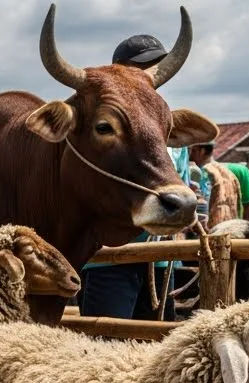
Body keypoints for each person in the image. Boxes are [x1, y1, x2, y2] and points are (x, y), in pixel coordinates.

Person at [79, 35, 180, 320]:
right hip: (110, 260)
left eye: (159, 64)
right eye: (143, 65)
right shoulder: (103, 127)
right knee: (105, 349)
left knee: (157, 350)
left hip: (160, 262)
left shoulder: (165, 121)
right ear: (118, 70)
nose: (154, 71)